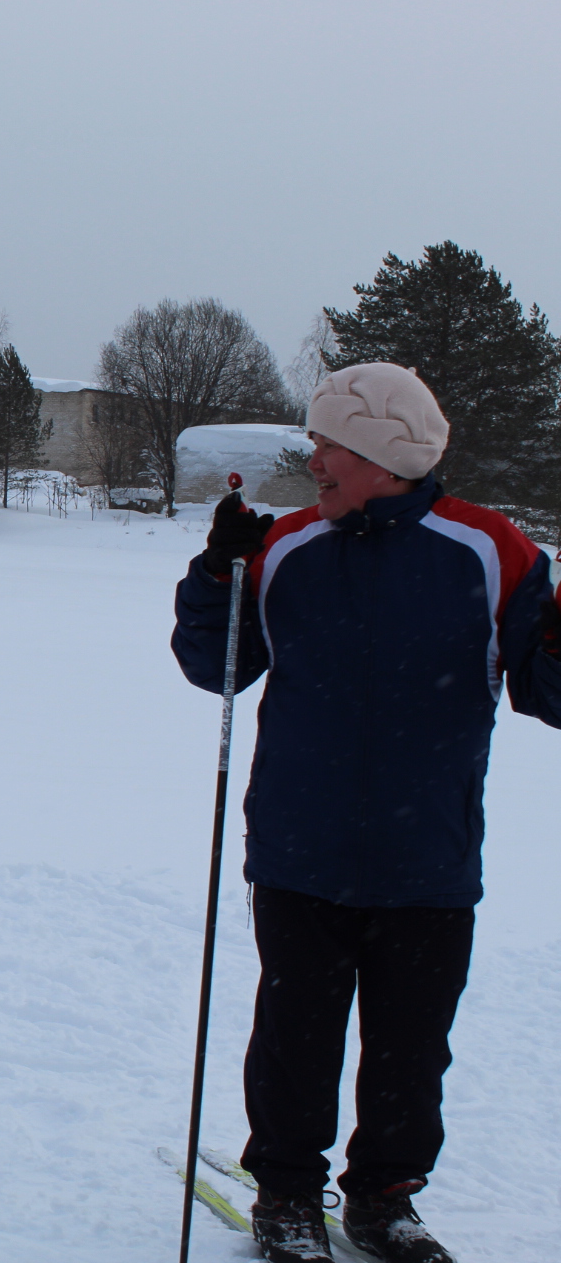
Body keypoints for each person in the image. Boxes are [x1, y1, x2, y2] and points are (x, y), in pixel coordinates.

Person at [172, 363, 561, 1263]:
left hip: (428, 854)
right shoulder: (287, 548)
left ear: (385, 455)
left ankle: (384, 1199)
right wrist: (217, 571)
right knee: (293, 1040)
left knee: (410, 1050)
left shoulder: (492, 551)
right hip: (301, 850)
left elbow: (549, 688)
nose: (313, 460)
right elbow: (216, 668)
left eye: (328, 444)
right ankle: (286, 1196)